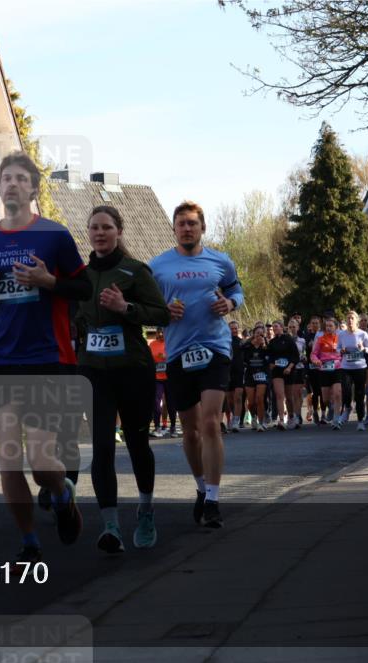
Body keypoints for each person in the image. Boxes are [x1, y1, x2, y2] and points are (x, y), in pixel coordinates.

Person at [0, 151, 91, 563]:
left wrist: (48, 279)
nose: (13, 184)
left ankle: (61, 491)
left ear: (33, 189)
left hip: (46, 359)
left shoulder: (55, 236)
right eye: (6, 179)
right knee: (8, 459)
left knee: (39, 459)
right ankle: (29, 543)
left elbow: (82, 290)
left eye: (21, 178)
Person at [75, 205, 169, 552]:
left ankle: (145, 509)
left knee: (136, 443)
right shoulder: (81, 277)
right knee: (101, 447)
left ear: (119, 231)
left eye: (106, 227)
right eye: (94, 228)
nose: (100, 233)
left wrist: (125, 308)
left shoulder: (135, 271)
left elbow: (162, 315)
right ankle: (111, 526)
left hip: (133, 370)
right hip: (94, 372)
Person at [148, 200, 244, 528]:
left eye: (192, 223)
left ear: (203, 227)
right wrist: (163, 313)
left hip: (215, 349)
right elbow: (148, 305)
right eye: (181, 224)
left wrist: (230, 302)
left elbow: (236, 288)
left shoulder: (220, 260)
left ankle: (214, 500)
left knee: (211, 423)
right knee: (189, 432)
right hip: (177, 354)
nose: (187, 228)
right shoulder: (158, 266)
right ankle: (202, 488)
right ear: (174, 229)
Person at [336, 311, 368, 431]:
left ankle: (360, 421)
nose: (350, 320)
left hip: (360, 367)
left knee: (359, 394)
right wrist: (341, 351)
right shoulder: (342, 335)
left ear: (356, 321)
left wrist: (364, 349)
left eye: (352, 318)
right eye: (348, 318)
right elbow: (337, 348)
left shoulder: (362, 334)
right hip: (346, 367)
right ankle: (347, 407)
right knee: (346, 391)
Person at [310, 317, 345, 430]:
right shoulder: (320, 339)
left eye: (331, 326)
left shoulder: (340, 339)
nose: (329, 328)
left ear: (336, 327)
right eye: (327, 326)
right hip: (324, 369)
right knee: (325, 398)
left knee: (337, 393)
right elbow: (313, 354)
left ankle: (336, 420)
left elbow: (346, 351)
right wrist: (316, 360)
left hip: (337, 368)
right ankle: (330, 406)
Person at [266, 320, 299, 430]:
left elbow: (296, 356)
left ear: (282, 327)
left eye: (276, 326)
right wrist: (270, 363)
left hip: (288, 370)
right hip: (277, 371)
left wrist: (289, 367)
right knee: (279, 395)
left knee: (289, 397)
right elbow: (269, 356)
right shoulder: (272, 342)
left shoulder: (288, 339)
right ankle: (281, 420)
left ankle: (291, 417)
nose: (274, 328)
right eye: (273, 327)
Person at [148, 328, 175, 437]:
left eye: (162, 332)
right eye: (158, 332)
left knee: (171, 402)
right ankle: (157, 427)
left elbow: (177, 356)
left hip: (169, 377)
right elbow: (148, 359)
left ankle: (173, 427)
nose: (160, 334)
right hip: (157, 378)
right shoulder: (152, 344)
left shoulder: (171, 342)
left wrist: (166, 357)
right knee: (156, 402)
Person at [243, 326, 270, 432]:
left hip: (262, 374)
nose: (259, 335)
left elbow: (269, 359)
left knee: (259, 399)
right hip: (250, 374)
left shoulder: (265, 346)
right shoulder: (248, 345)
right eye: (257, 333)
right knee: (251, 402)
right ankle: (253, 417)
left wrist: (264, 346)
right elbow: (242, 353)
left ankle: (261, 422)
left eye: (261, 333)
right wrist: (251, 342)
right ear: (254, 334)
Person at [285, 319, 306, 429]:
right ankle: (291, 416)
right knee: (290, 395)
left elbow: (305, 353)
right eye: (290, 327)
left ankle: (297, 416)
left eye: (294, 327)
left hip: (299, 368)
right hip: (288, 369)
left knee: (298, 393)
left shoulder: (302, 340)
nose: (292, 329)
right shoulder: (285, 340)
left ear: (298, 328)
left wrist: (304, 357)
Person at [225, 320, 245, 432]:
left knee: (238, 397)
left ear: (238, 329)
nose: (234, 330)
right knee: (230, 400)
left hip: (239, 372)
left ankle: (236, 420)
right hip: (227, 372)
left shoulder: (242, 342)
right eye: (231, 328)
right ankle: (233, 416)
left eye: (235, 328)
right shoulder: (224, 342)